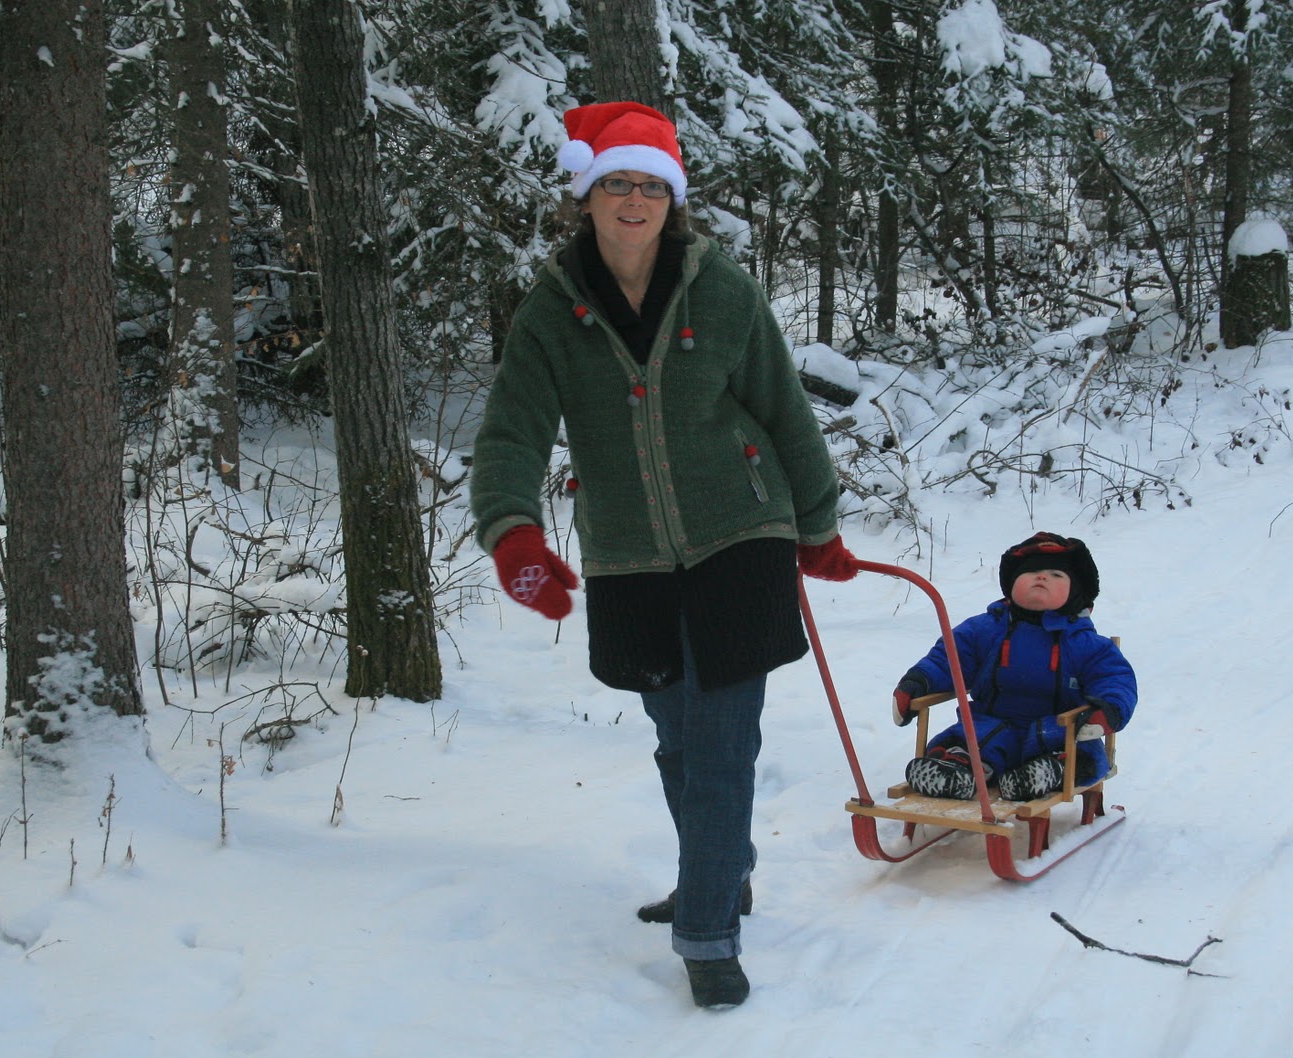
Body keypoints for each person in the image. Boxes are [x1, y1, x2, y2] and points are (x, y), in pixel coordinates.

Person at [469, 101, 858, 1009]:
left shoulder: (722, 292)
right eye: (616, 183)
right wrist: (512, 529)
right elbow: (512, 430)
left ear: (672, 199)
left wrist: (818, 524)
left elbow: (783, 408)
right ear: (587, 197)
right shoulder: (551, 312)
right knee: (677, 739)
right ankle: (723, 869)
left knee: (720, 742)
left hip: (740, 534)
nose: (633, 200)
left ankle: (708, 931)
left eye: (650, 185)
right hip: (628, 552)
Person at [890, 533, 1137, 802]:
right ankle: (956, 769)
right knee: (969, 741)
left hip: (1057, 729)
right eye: (1030, 572)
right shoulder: (984, 629)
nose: (1041, 577)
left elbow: (1114, 678)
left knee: (1081, 754)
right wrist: (918, 682)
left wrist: (1109, 710)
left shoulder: (1086, 643)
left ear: (1075, 592)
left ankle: (1051, 771)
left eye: (1056, 574)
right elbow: (947, 660)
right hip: (993, 725)